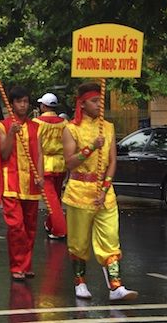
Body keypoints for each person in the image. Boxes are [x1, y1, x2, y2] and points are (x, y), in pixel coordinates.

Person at [62, 82, 138, 301]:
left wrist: (105, 189)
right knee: (78, 241)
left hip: (105, 192)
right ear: (82, 103)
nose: (99, 105)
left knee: (111, 239)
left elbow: (113, 161)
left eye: (100, 101)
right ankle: (80, 282)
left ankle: (116, 286)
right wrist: (90, 148)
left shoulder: (109, 127)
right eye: (94, 101)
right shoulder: (71, 129)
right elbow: (69, 163)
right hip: (79, 191)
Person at [0, 86, 44, 281]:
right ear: (12, 104)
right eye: (19, 102)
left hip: (31, 183)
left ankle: (26, 264)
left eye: (25, 101)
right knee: (16, 226)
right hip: (11, 183)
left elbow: (40, 154)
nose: (23, 105)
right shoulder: (2, 126)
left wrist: (41, 176)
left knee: (30, 227)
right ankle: (17, 266)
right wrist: (11, 134)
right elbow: (3, 154)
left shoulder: (37, 127)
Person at [33, 93, 68, 240]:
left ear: (43, 106)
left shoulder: (36, 122)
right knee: (56, 198)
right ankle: (50, 223)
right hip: (61, 164)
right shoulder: (65, 123)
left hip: (45, 164)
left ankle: (60, 229)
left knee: (51, 200)